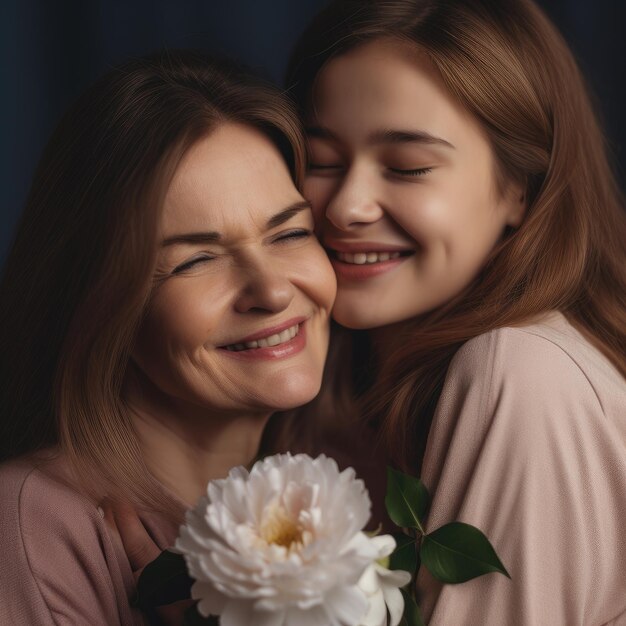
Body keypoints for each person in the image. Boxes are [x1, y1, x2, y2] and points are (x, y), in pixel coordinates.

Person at [286, 0, 626, 624]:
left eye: (408, 167)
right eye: (323, 163)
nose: (346, 207)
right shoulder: (329, 391)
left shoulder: (522, 373)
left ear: (519, 187)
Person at [0, 50, 336, 625]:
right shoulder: (32, 523)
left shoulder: (356, 481)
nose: (272, 291)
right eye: (197, 260)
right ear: (103, 303)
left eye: (290, 233)